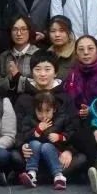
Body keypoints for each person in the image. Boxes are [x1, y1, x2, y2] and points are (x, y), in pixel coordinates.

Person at [13, 52, 87, 182]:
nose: (42, 74)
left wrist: (69, 151)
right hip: (32, 152)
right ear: (31, 72)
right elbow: (18, 129)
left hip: (58, 152)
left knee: (81, 159)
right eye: (38, 69)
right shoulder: (23, 99)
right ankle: (51, 176)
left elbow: (74, 128)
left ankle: (39, 176)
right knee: (14, 156)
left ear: (55, 72)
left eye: (47, 69)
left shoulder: (65, 98)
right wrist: (22, 146)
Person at [16, 92, 76, 190]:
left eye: (47, 111)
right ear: (34, 110)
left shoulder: (63, 118)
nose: (43, 115)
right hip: (35, 156)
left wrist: (60, 137)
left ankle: (58, 176)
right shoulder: (29, 119)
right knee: (34, 144)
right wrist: (37, 130)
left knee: (46, 146)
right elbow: (24, 136)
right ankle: (31, 174)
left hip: (55, 154)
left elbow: (71, 135)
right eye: (39, 111)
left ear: (54, 109)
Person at [0, 16, 40, 100]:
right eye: (15, 29)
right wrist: (10, 79)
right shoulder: (4, 56)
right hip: (8, 102)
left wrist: (17, 76)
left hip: (32, 101)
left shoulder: (38, 54)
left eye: (23, 29)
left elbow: (41, 84)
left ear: (30, 31)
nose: (19, 33)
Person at [64, 36, 97, 121]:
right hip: (75, 119)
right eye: (81, 49)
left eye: (90, 48)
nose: (86, 53)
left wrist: (92, 110)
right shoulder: (72, 73)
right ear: (76, 53)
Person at [47, 15, 76, 82]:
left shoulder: (78, 52)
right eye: (53, 31)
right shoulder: (46, 54)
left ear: (69, 32)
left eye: (62, 31)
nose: (57, 35)